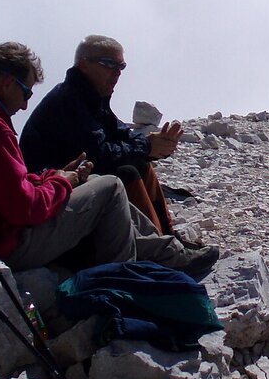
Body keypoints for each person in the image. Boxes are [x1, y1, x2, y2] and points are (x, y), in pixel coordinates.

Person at [0, 42, 217, 276]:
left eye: (121, 66)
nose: (26, 105)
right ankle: (127, 278)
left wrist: (56, 178)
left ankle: (167, 251)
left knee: (120, 174)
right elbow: (24, 208)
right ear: (6, 83)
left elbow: (9, 186)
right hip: (9, 242)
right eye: (25, 92)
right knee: (112, 185)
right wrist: (63, 183)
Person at [20, 35, 194, 242]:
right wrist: (146, 146)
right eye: (109, 64)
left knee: (138, 164)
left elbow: (121, 134)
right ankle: (159, 248)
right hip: (49, 191)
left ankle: (168, 237)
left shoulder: (92, 97)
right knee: (126, 172)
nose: (117, 73)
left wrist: (153, 147)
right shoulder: (68, 101)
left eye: (121, 66)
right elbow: (100, 154)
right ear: (83, 64)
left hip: (72, 182)